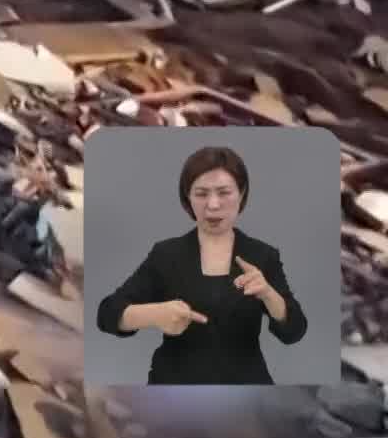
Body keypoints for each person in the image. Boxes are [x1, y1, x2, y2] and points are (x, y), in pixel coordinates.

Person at [95, 146, 307, 384]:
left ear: (242, 193)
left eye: (224, 192)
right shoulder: (166, 254)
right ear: (187, 197)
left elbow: (295, 331)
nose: (213, 205)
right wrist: (152, 314)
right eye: (201, 193)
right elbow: (107, 314)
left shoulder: (263, 255)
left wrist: (269, 294)